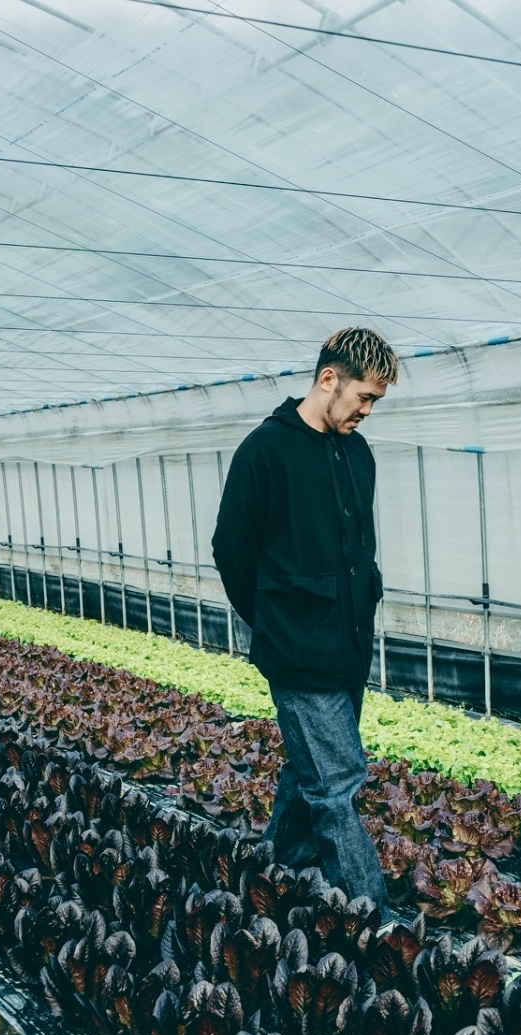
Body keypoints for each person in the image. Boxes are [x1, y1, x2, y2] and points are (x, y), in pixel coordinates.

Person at [212, 327, 397, 906]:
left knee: (307, 770)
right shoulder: (266, 450)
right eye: (364, 397)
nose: (367, 411)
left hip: (347, 647)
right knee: (338, 782)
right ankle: (372, 916)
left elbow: (356, 550)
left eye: (375, 402)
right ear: (328, 380)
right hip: (297, 650)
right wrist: (273, 618)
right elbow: (231, 549)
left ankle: (272, 871)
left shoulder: (356, 454)